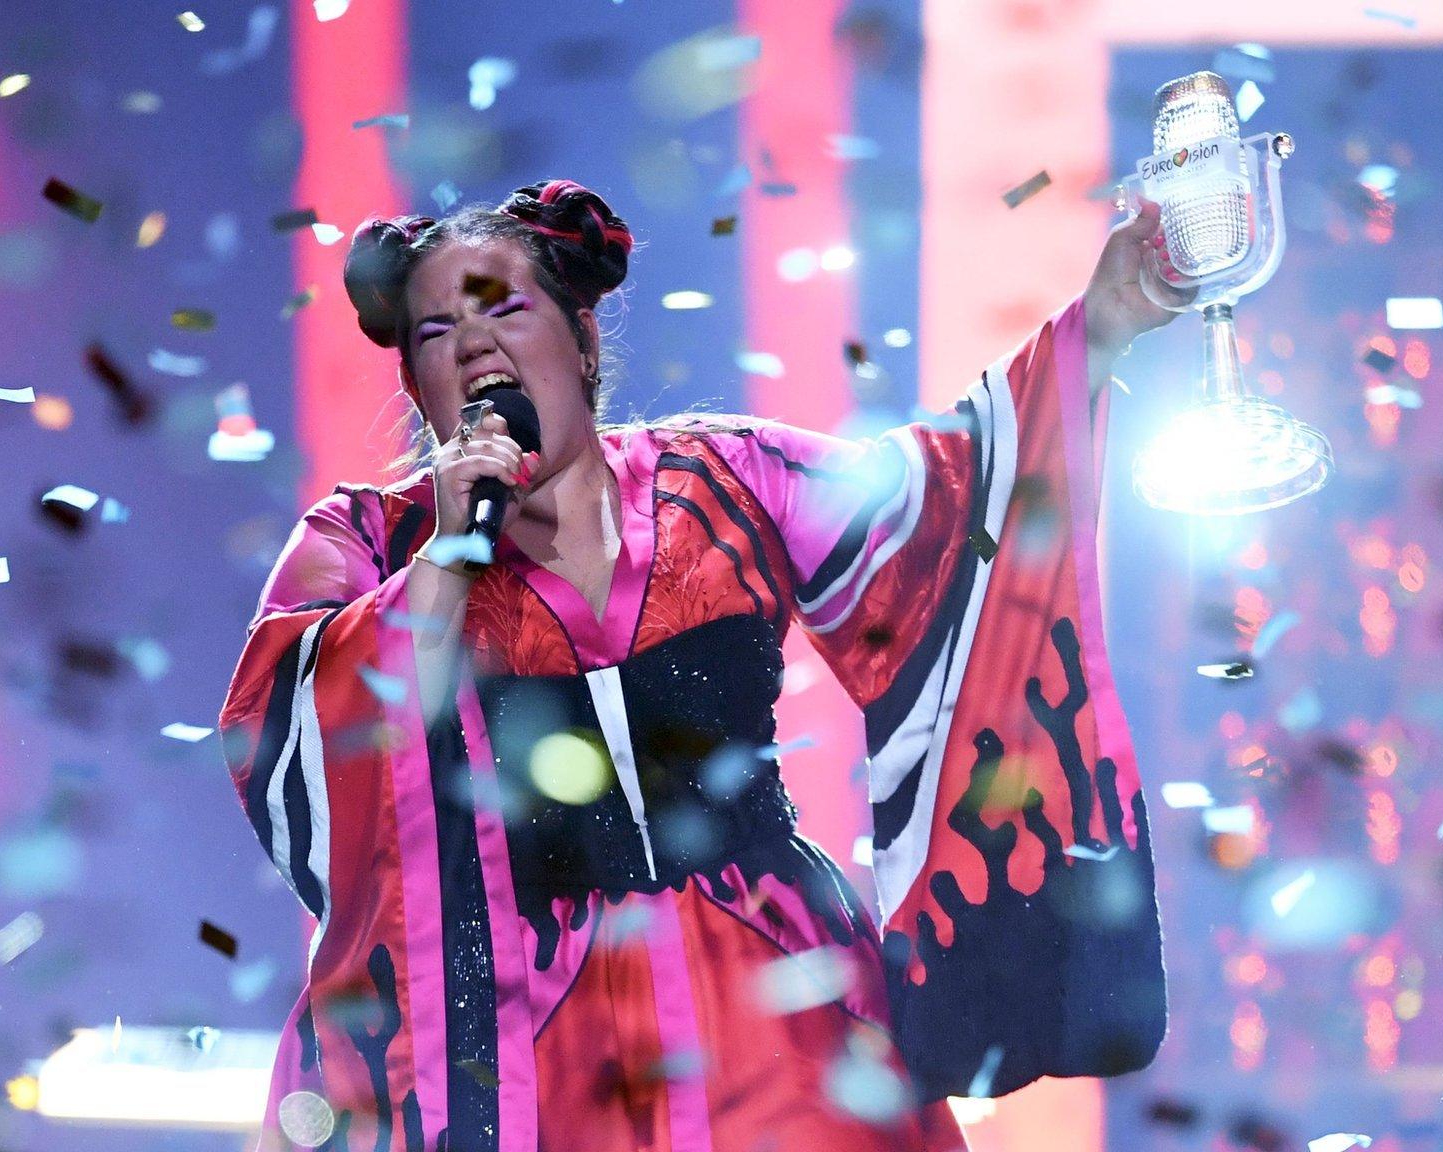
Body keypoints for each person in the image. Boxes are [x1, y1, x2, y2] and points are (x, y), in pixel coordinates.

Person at [218, 177, 1177, 1152]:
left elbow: (941, 508)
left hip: (783, 1005)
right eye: (432, 331)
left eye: (505, 306)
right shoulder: (370, 541)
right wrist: (449, 558)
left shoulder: (729, 480)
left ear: (582, 338)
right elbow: (297, 732)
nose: (473, 345)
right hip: (528, 1043)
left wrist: (1105, 322)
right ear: (415, 386)